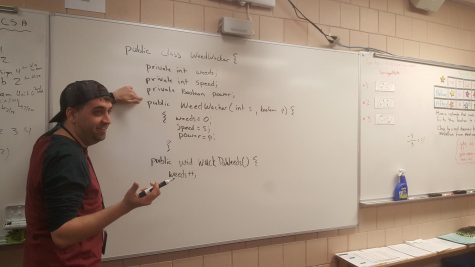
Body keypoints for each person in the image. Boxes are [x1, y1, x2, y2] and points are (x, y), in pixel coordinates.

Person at [24, 80, 160, 266]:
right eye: (98, 112)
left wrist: (112, 97)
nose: (108, 120)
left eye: (108, 111)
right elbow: (62, 234)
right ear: (71, 114)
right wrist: (126, 205)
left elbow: (84, 102)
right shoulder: (66, 157)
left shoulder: (51, 139)